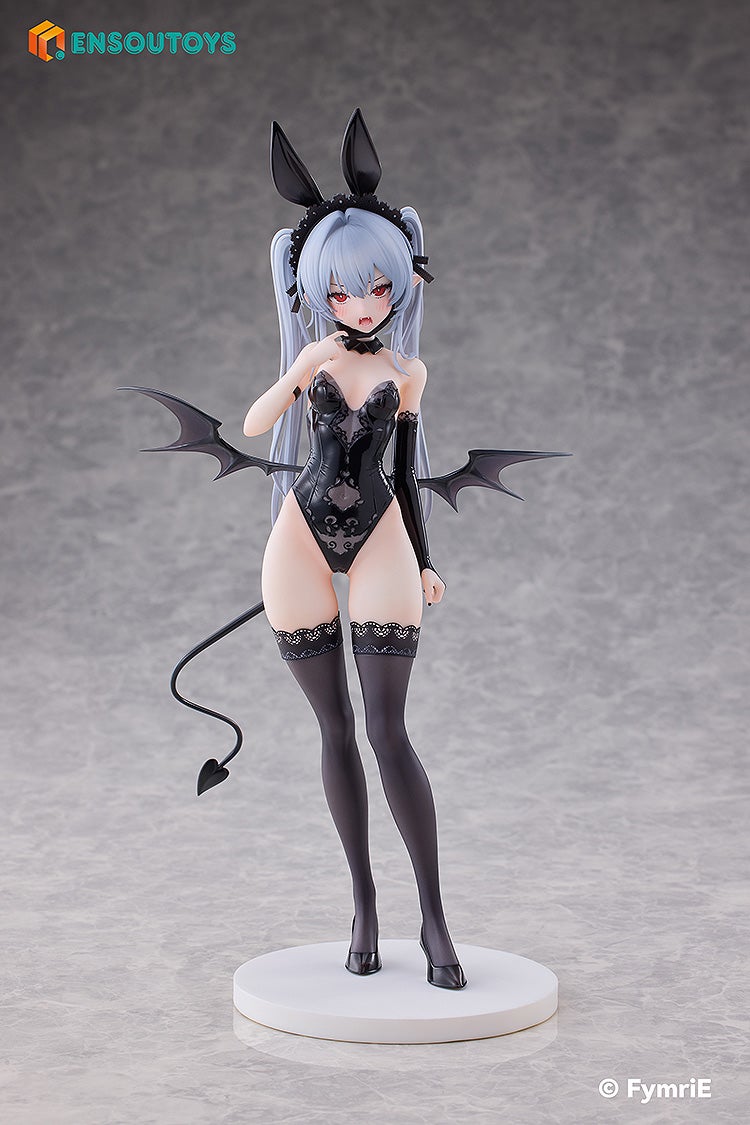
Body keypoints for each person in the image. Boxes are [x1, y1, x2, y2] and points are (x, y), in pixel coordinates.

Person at [240, 109, 466, 988]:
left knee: (386, 729)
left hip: (381, 535)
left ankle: (434, 915)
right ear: (315, 292)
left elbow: (407, 470)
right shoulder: (313, 361)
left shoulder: (407, 373)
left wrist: (426, 557)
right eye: (340, 294)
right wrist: (298, 370)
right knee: (333, 727)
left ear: (402, 281)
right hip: (298, 536)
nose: (362, 305)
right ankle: (364, 905)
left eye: (376, 288)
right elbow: (256, 425)